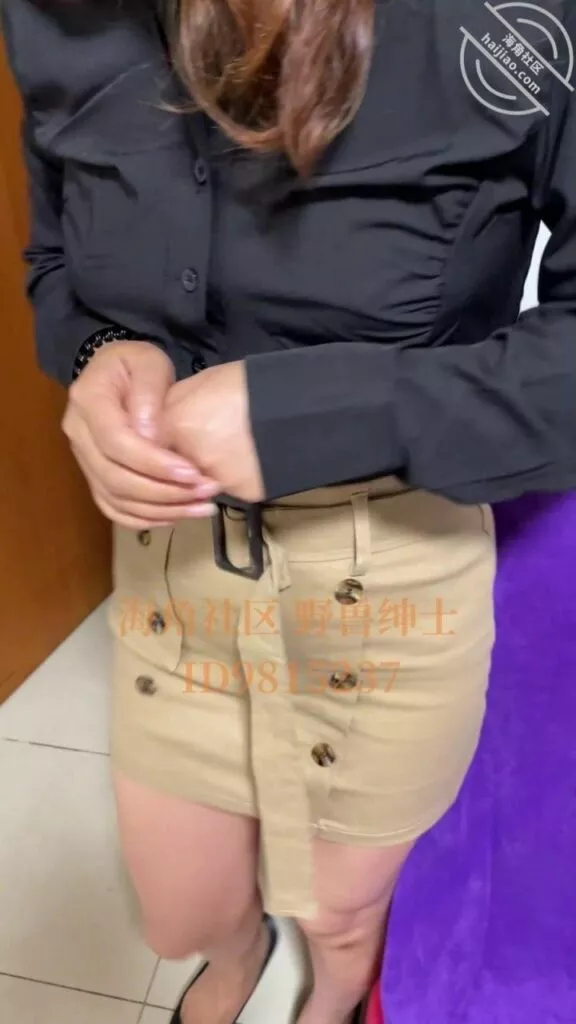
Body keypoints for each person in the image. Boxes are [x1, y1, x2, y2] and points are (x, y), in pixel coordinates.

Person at [3, 1, 576, 1022]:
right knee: (181, 912)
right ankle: (237, 956)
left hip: (398, 557)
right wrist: (95, 354)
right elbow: (52, 259)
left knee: (344, 911)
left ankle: (335, 990)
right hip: (177, 553)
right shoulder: (53, 14)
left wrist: (322, 412)